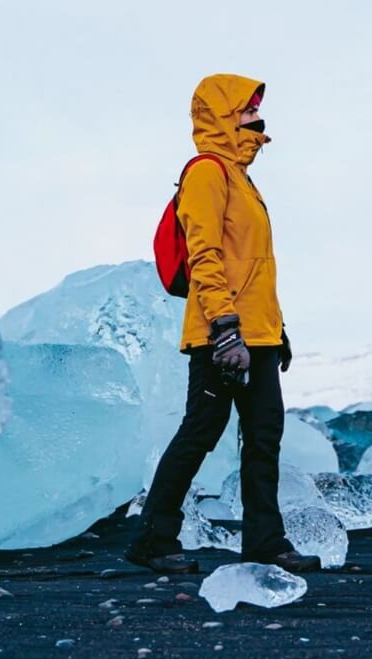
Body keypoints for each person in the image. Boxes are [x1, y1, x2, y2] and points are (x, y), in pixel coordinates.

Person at [125, 73, 321, 576]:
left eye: (258, 109)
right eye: (248, 109)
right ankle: (153, 539)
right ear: (223, 114)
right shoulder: (207, 172)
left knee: (263, 438)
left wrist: (277, 332)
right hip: (221, 334)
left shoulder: (243, 180)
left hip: (258, 336)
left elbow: (252, 266)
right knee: (200, 432)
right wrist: (227, 328)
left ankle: (265, 543)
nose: (259, 118)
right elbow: (204, 254)